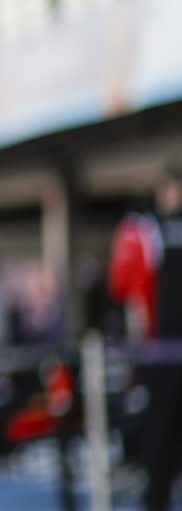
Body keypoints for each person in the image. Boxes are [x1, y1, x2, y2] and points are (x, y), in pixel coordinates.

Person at [110, 162, 182, 511]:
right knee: (160, 431)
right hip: (159, 351)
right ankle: (155, 499)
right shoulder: (143, 228)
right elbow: (125, 287)